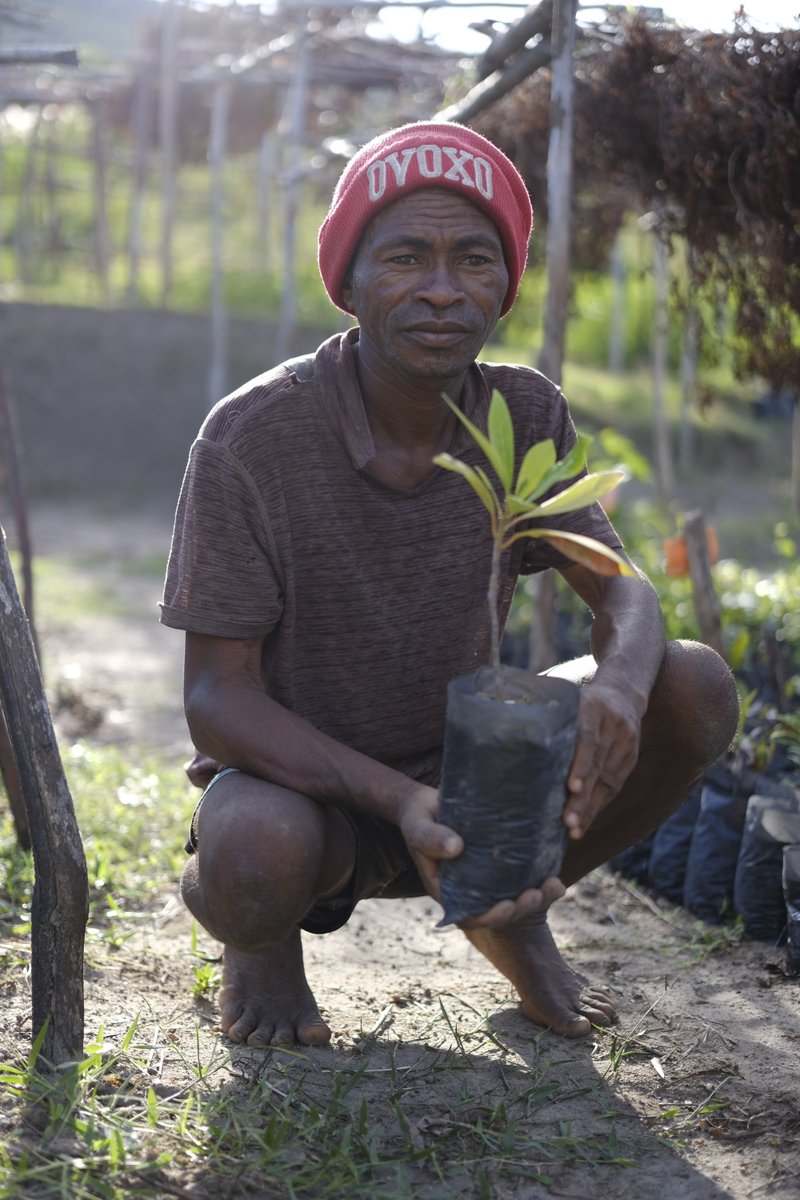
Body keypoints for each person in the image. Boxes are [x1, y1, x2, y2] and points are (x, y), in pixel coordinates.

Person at [160, 122, 738, 1047]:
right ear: (348, 281)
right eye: (405, 257)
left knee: (692, 683)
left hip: (480, 783)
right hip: (308, 795)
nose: (442, 289)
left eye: (474, 259)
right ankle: (261, 950)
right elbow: (215, 698)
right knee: (253, 858)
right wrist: (395, 800)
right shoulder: (252, 438)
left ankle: (504, 912)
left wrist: (624, 687)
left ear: (505, 288)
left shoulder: (519, 411)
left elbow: (624, 590)